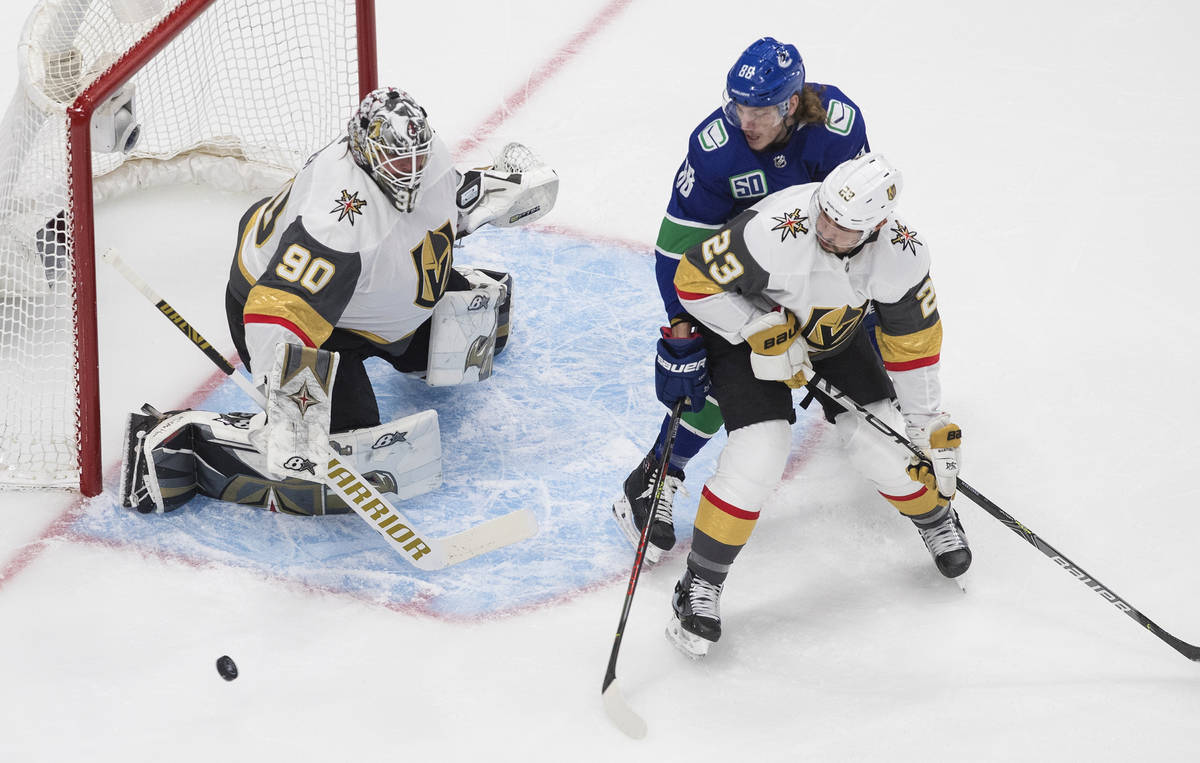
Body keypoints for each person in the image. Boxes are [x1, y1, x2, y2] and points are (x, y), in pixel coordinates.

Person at [117, 86, 558, 515]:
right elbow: (280, 312)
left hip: (367, 301)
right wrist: (287, 407)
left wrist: (499, 193)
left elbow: (445, 205)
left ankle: (408, 332)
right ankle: (188, 445)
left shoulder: (425, 157)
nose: (409, 170)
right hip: (302, 319)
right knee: (336, 459)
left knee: (471, 341)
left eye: (415, 158)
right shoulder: (338, 223)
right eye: (397, 159)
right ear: (365, 151)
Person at [663, 152, 967, 658]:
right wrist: (754, 328)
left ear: (877, 227)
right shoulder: (772, 232)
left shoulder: (903, 255)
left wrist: (926, 426)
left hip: (834, 338)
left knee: (887, 448)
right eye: (824, 212)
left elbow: (913, 347)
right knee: (760, 451)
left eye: (844, 227)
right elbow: (694, 281)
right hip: (745, 341)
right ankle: (700, 586)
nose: (825, 228)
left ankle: (936, 519)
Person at [611, 37, 871, 563]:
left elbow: (857, 219)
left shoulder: (838, 129)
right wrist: (682, 329)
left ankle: (888, 438)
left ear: (791, 103)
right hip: (736, 276)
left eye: (757, 109)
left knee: (871, 339)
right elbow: (676, 248)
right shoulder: (715, 148)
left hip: (815, 269)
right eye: (736, 105)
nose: (743, 120)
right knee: (715, 379)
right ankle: (654, 476)